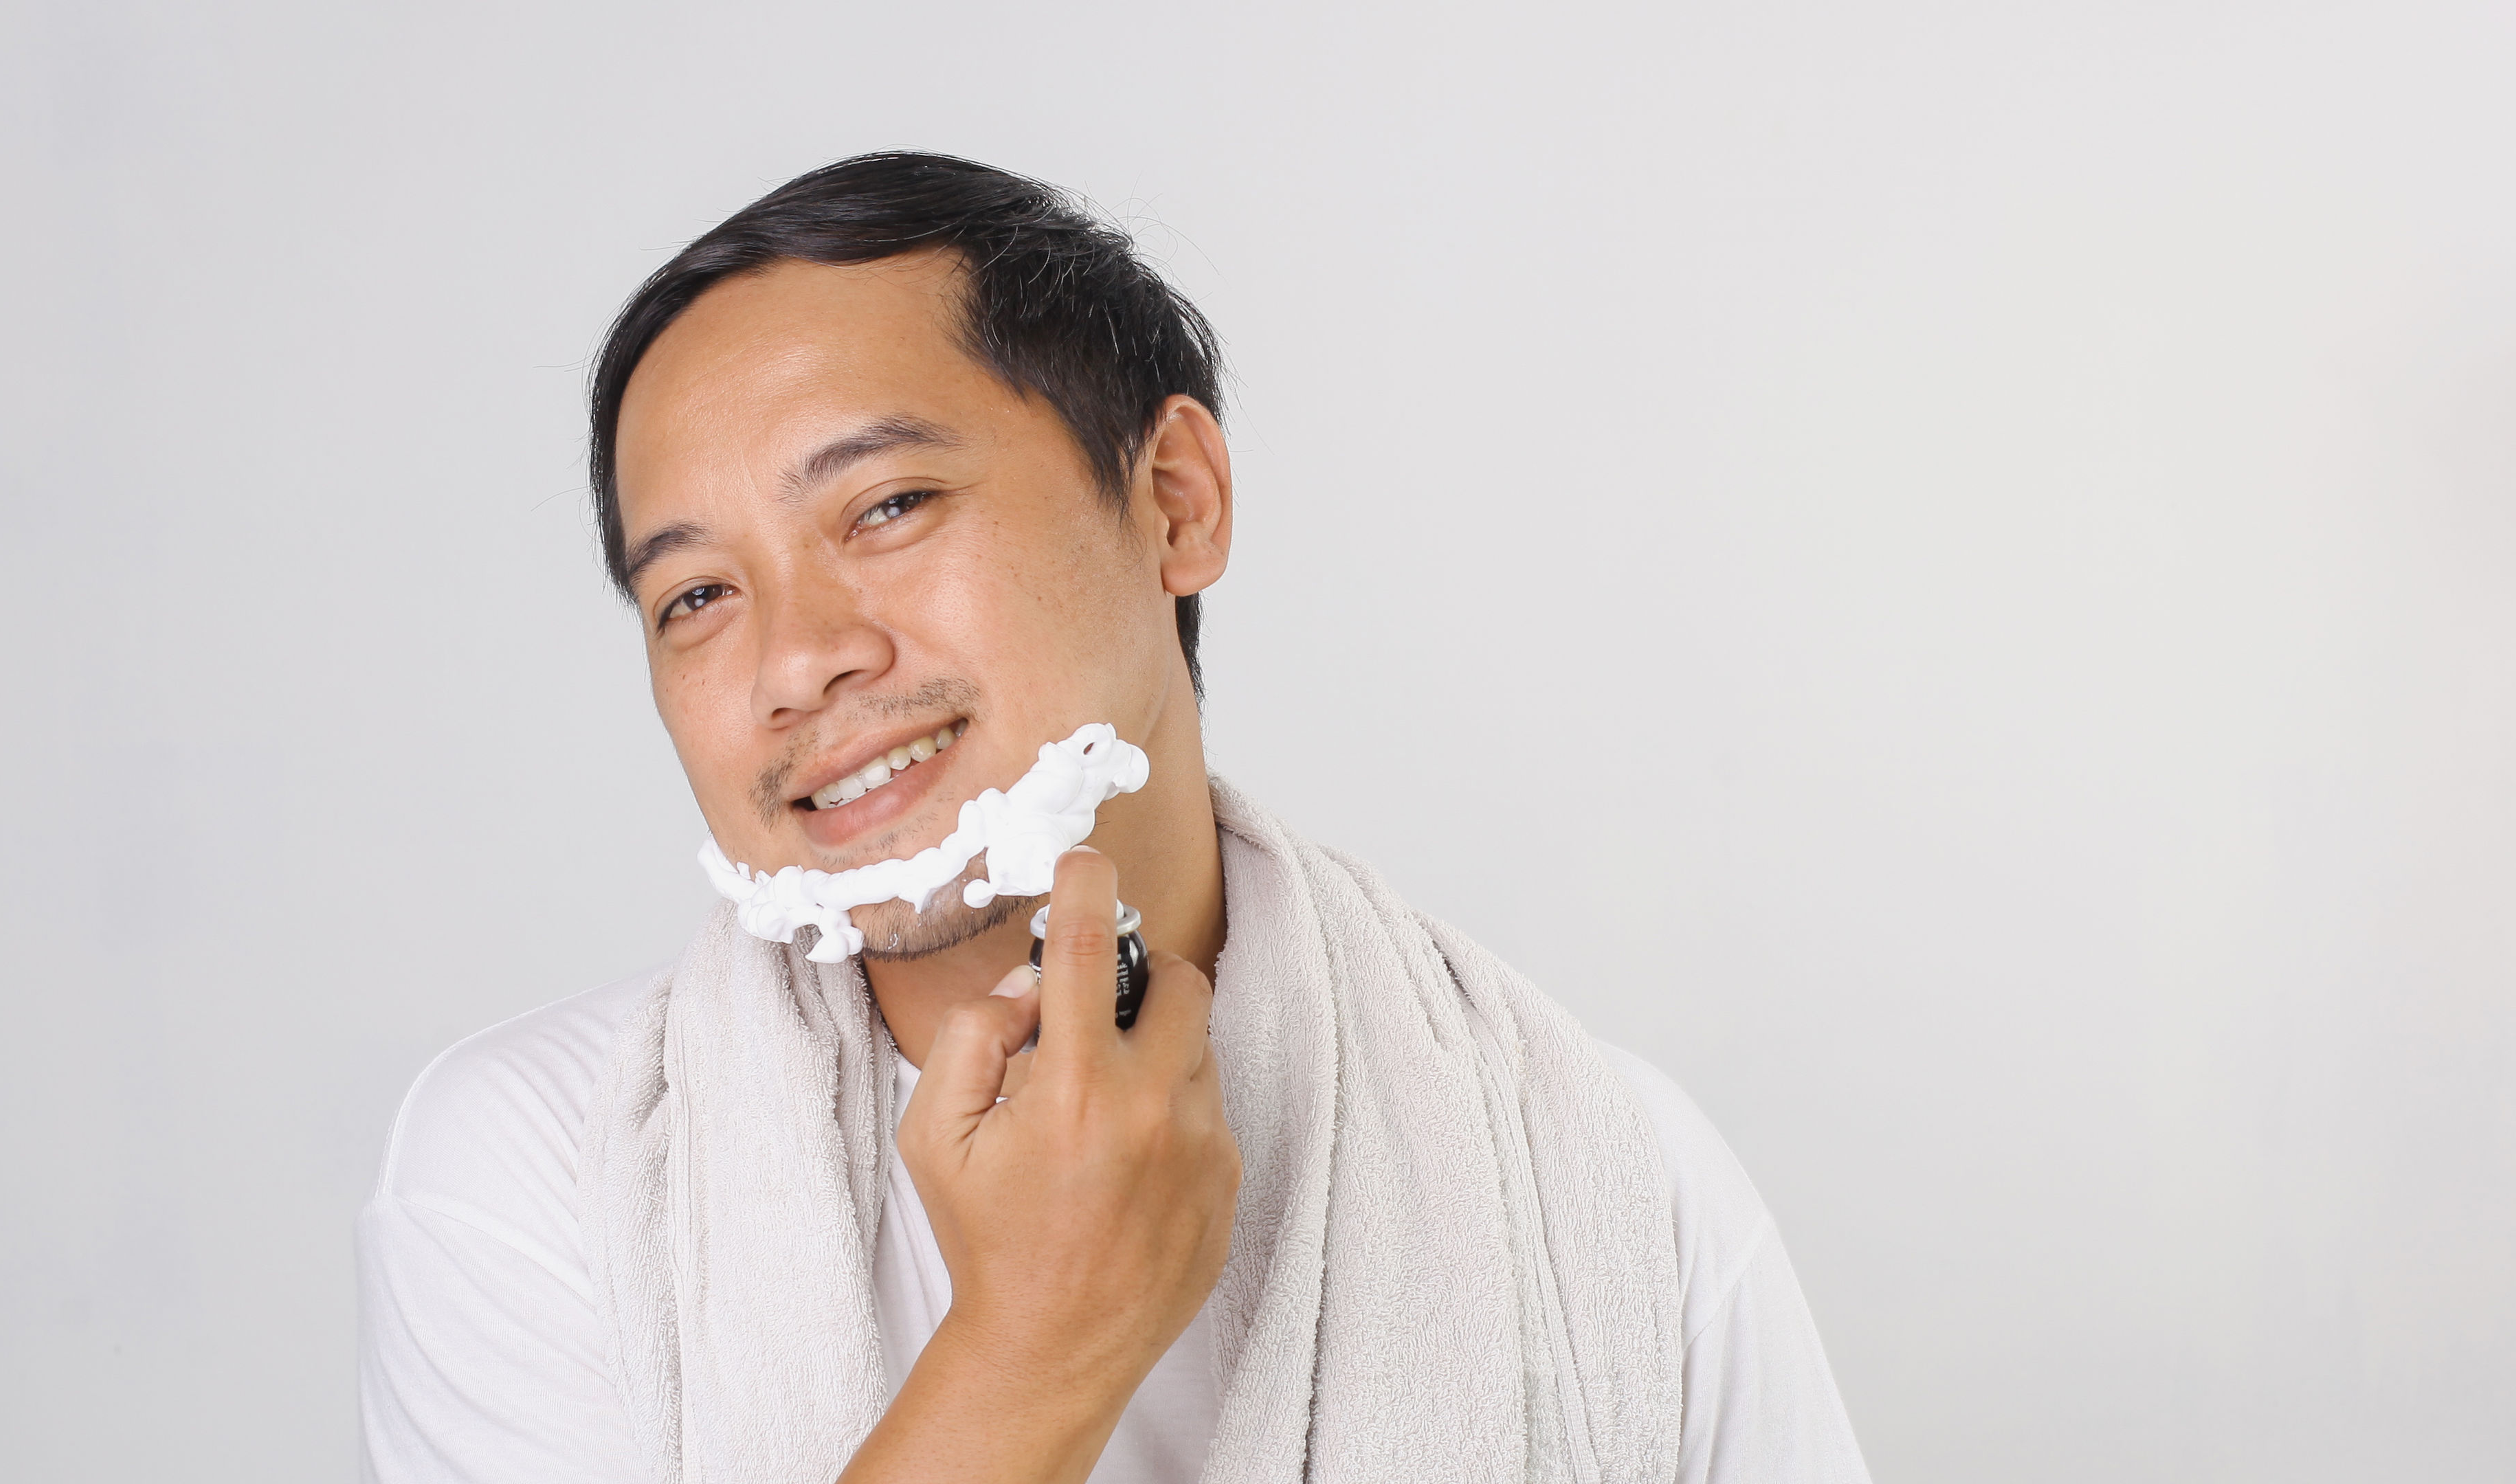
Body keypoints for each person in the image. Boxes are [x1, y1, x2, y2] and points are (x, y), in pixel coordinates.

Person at [356, 152, 1870, 1484]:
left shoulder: (1603, 1181)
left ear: (1175, 500)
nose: (795, 658)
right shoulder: (538, 1180)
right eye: (695, 595)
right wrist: (1035, 1346)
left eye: (885, 508)